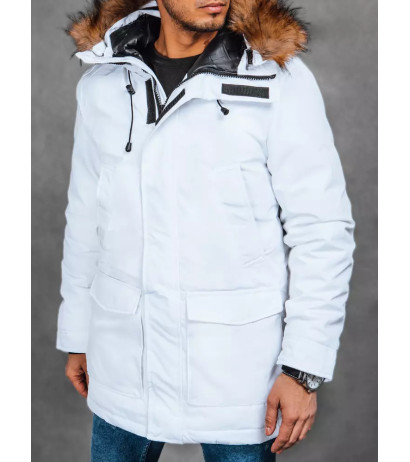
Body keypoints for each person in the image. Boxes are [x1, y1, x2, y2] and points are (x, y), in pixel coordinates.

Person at [57, 1, 356, 461]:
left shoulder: (277, 81)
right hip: (123, 361)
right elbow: (85, 220)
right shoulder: (104, 84)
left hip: (238, 375)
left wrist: (302, 370)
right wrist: (78, 336)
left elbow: (322, 230)